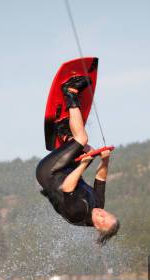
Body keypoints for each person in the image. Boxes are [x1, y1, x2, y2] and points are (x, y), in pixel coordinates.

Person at [36, 75, 120, 245]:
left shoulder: (78, 214)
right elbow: (101, 179)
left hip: (49, 173)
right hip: (65, 169)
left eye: (102, 219)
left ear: (98, 227)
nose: (102, 213)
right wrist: (105, 160)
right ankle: (63, 132)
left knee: (82, 139)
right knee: (89, 150)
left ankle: (70, 91)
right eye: (107, 214)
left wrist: (82, 164)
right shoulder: (98, 205)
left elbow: (67, 187)